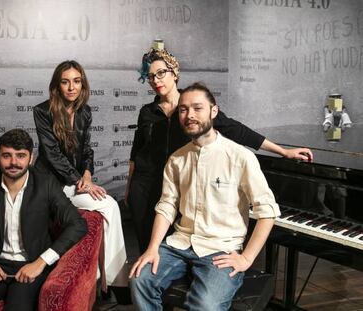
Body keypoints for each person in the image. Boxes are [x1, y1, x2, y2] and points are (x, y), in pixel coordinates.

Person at [126, 41, 312, 253]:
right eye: (151, 76)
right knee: (146, 248)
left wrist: (283, 151)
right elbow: (137, 151)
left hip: (181, 186)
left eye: (161, 73)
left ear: (174, 72)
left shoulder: (195, 106)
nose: (156, 80)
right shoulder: (147, 111)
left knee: (176, 247)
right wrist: (130, 186)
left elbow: (237, 130)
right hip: (145, 186)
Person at [129, 83, 281, 310]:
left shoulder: (240, 157)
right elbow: (167, 206)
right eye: (183, 109)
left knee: (205, 305)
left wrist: (246, 258)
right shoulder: (176, 159)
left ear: (214, 111)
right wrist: (152, 248)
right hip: (178, 245)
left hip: (220, 249)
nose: (189, 115)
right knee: (139, 280)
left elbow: (267, 211)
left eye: (197, 108)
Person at [0, 129, 87, 310]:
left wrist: (40, 263)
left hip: (31, 266)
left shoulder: (46, 184)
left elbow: (78, 224)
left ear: (30, 159)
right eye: (7, 156)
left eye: (20, 156)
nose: (14, 162)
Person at [33, 60, 128, 290]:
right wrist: (79, 180)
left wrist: (87, 174)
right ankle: (99, 281)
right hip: (50, 184)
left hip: (75, 181)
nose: (71, 87)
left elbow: (86, 149)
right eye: (65, 82)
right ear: (57, 85)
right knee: (102, 206)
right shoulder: (42, 111)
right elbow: (52, 154)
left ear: (82, 84)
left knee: (111, 206)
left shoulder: (84, 112)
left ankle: (116, 281)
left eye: (76, 81)